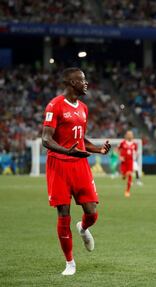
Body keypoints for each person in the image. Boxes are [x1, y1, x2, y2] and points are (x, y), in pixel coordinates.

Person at [42, 67, 111, 275]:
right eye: (82, 80)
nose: (86, 83)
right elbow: (46, 139)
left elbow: (80, 139)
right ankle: (70, 262)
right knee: (64, 214)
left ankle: (83, 228)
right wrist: (67, 152)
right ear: (72, 83)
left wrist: (98, 149)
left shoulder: (83, 108)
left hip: (79, 165)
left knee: (92, 212)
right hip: (59, 165)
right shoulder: (55, 105)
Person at [118, 130, 138, 197]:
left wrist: (136, 156)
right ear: (126, 135)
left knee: (130, 175)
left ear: (132, 136)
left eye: (131, 134)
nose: (129, 135)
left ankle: (127, 191)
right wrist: (120, 156)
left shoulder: (134, 144)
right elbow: (118, 149)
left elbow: (136, 152)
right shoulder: (122, 143)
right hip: (123, 161)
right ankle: (124, 175)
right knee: (124, 175)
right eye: (128, 134)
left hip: (130, 161)